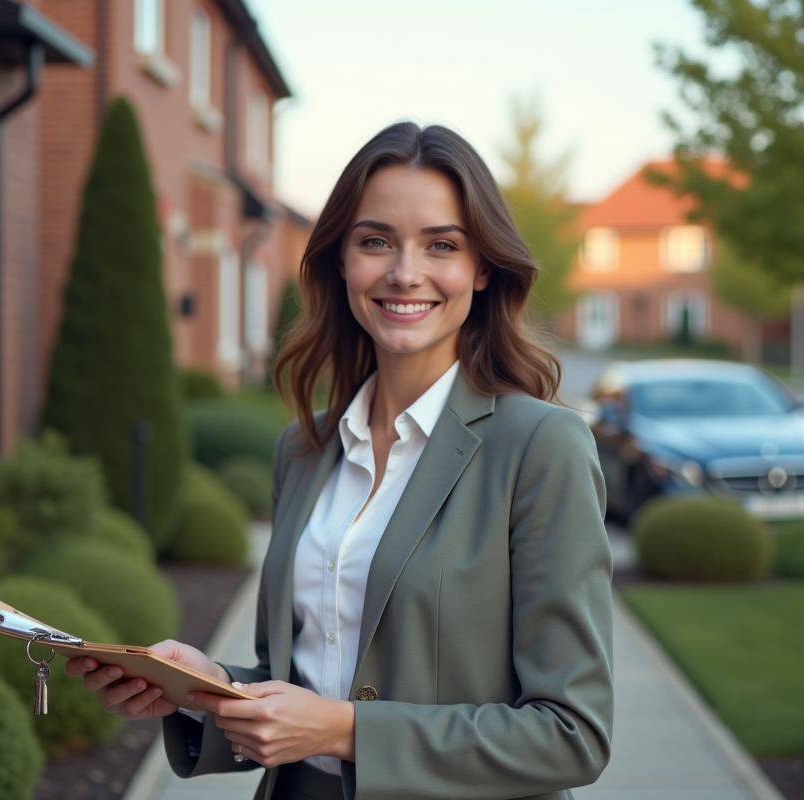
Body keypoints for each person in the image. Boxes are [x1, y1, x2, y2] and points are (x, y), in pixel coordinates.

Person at [66, 122, 614, 800]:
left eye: (440, 244)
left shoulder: (540, 447)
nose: (404, 271)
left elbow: (572, 733)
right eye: (375, 240)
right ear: (342, 261)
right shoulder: (304, 448)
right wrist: (201, 687)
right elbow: (301, 685)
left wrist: (343, 732)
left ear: (481, 268)